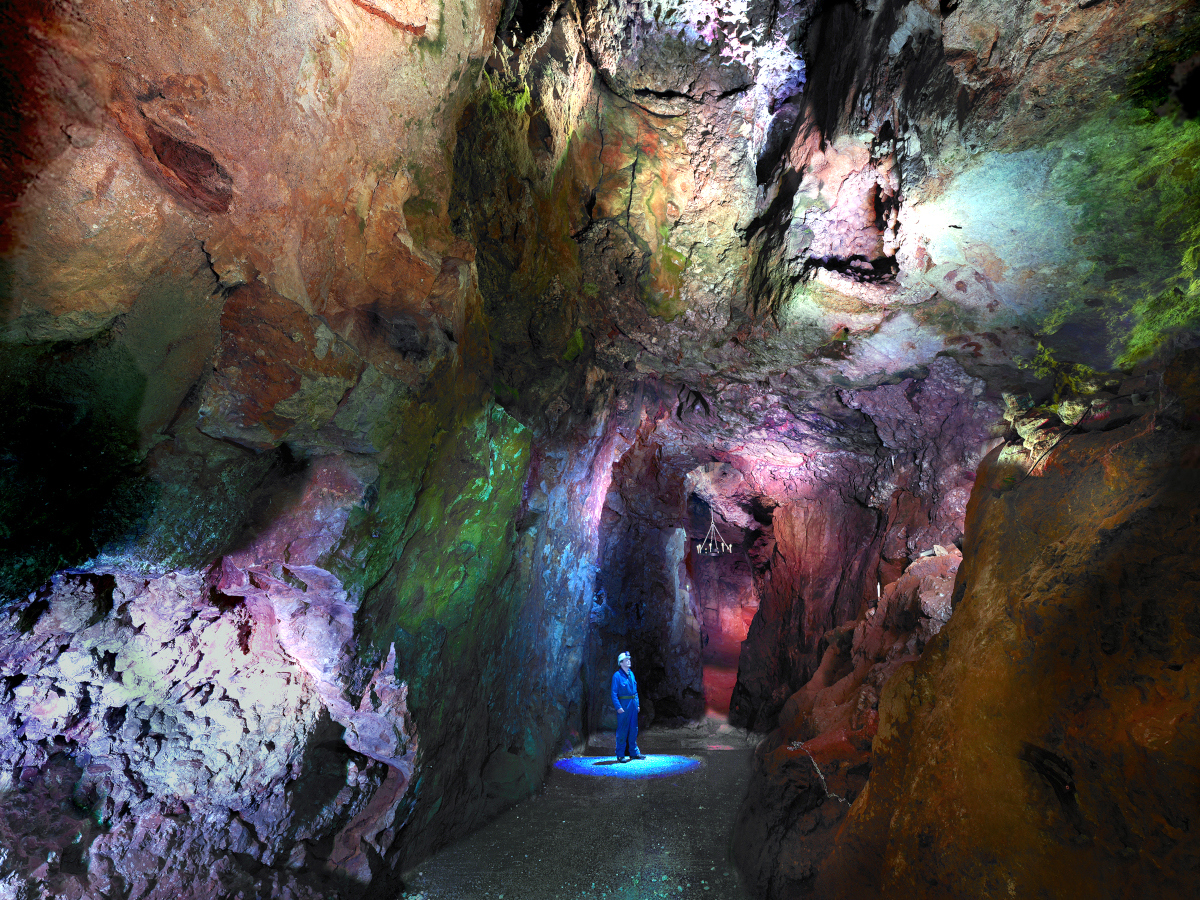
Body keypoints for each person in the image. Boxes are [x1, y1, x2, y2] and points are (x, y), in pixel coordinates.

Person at [611, 651, 645, 762]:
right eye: (626, 660)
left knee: (634, 729)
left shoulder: (631, 674)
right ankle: (620, 754)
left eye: (629, 659)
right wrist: (618, 707)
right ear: (621, 663)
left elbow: (635, 691)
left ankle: (634, 753)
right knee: (622, 730)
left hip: (632, 704)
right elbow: (614, 693)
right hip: (624, 705)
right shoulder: (617, 676)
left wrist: (637, 704)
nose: (629, 661)